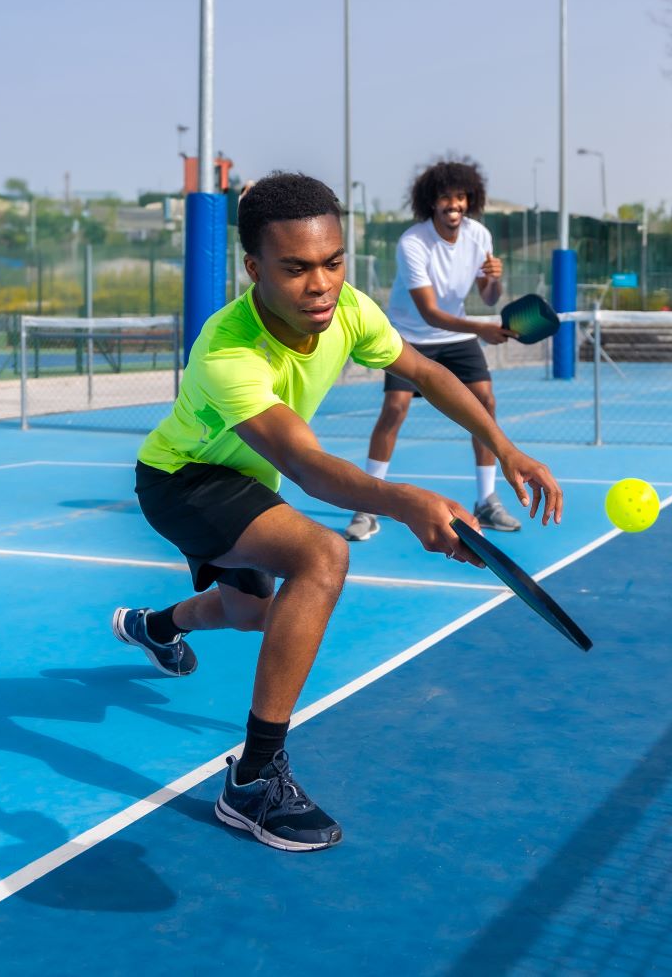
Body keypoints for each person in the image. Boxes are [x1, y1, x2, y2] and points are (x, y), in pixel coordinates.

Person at [113, 173, 561, 852]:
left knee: (252, 613)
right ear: (254, 269)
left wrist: (507, 447)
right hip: (182, 480)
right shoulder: (228, 348)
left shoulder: (348, 310)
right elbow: (306, 465)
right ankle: (253, 781)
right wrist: (409, 502)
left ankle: (155, 625)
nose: (320, 284)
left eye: (332, 261)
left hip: (242, 479)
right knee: (323, 554)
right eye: (295, 269)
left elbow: (429, 371)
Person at [344, 159, 521, 543]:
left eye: (460, 197)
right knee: (395, 408)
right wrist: (483, 329)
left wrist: (494, 281)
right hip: (410, 334)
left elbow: (488, 297)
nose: (454, 204)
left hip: (455, 336)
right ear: (431, 202)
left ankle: (486, 500)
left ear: (469, 200)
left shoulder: (479, 236)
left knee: (485, 402)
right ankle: (368, 504)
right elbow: (430, 313)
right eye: (445, 198)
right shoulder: (413, 243)